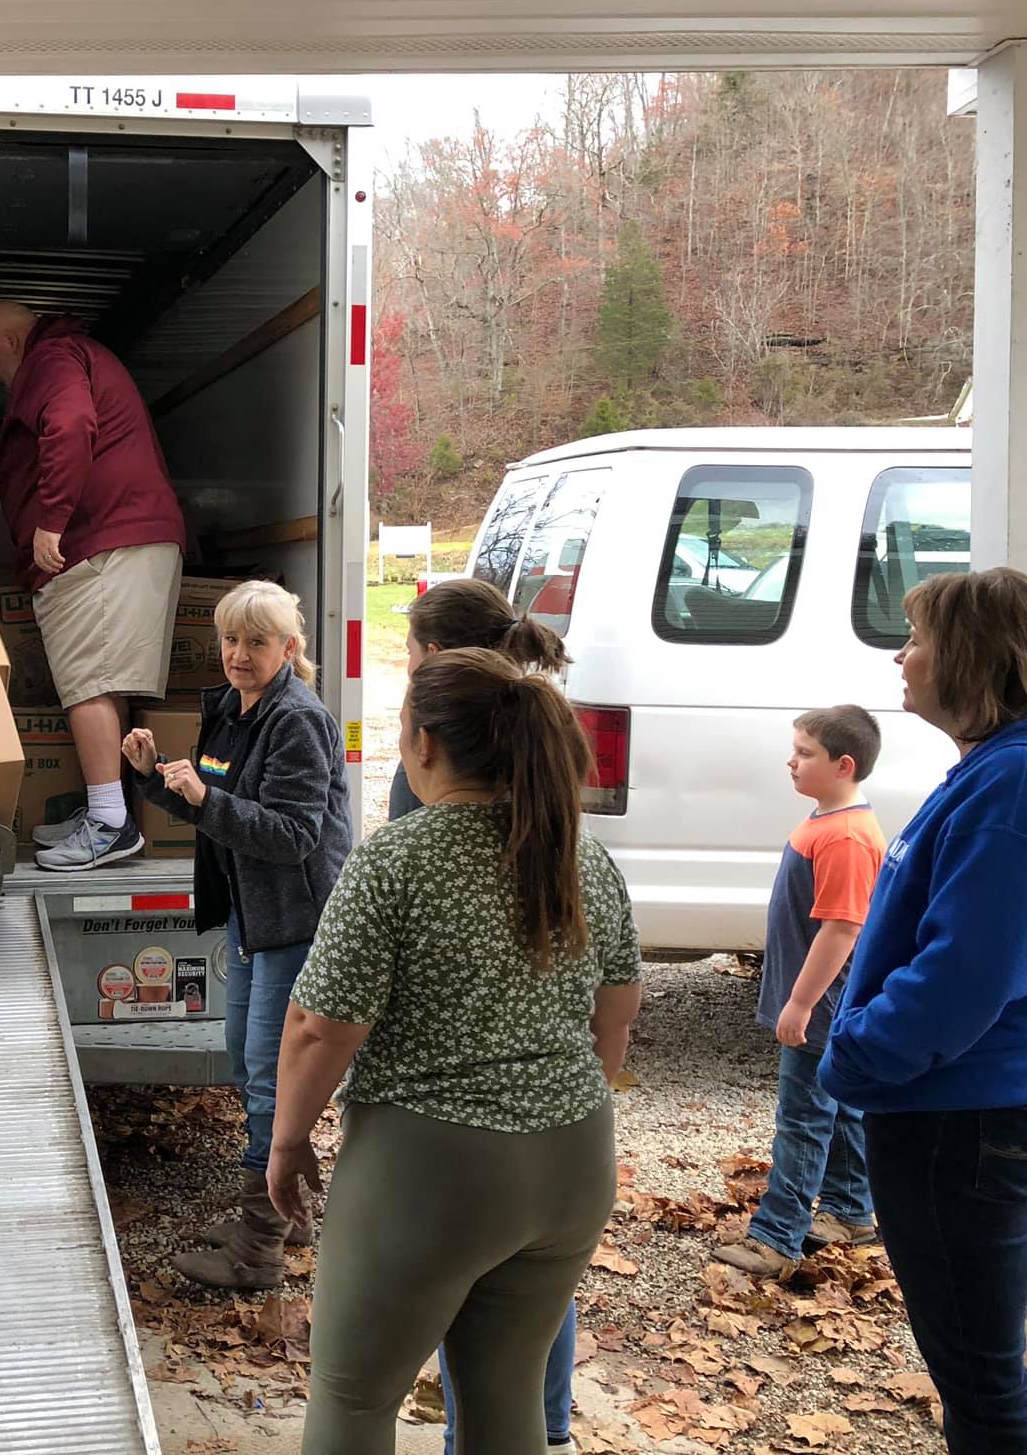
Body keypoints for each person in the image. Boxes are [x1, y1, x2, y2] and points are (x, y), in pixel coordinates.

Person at [271, 647, 642, 1455]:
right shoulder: (581, 856)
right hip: (574, 1163)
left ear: (424, 742)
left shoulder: (398, 860)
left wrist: (288, 1139)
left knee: (353, 1398)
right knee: (505, 1398)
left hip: (431, 1170)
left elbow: (320, 1028)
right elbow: (616, 1014)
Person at [822, 569, 1027, 1455]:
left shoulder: (1022, 782)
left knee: (981, 1380)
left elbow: (970, 971)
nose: (901, 657)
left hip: (966, 1113)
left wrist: (857, 1056)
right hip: (974, 1105)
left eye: (916, 639)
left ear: (970, 657)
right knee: (975, 1367)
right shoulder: (1010, 767)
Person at [390, 581, 583, 1455]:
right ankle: (542, 1431)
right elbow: (609, 990)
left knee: (459, 1283)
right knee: (534, 1289)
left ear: (436, 658)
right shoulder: (538, 740)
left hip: (448, 1108)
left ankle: (489, 1426)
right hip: (555, 1110)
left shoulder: (431, 767)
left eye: (410, 649)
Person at [124, 580, 353, 1289]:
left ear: (289, 648)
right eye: (229, 639)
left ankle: (260, 1250)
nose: (238, 654)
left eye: (256, 641)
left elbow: (292, 835)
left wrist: (201, 797)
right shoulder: (231, 711)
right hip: (254, 920)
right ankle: (291, 1207)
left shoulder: (297, 721)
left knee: (266, 1077)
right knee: (244, 1062)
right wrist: (156, 782)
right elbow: (214, 808)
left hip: (295, 921)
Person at [0, 300, 187, 872]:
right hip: (120, 536)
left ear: (14, 342)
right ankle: (108, 808)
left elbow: (69, 424)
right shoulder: (75, 354)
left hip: (99, 540)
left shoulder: (52, 358)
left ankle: (109, 824)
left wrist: (52, 518)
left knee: (87, 684)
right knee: (103, 680)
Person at [713, 706, 884, 1282]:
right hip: (825, 1001)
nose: (792, 760)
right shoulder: (827, 822)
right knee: (837, 1109)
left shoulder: (845, 837)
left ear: (844, 765)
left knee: (804, 1118)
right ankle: (850, 1210)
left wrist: (802, 1002)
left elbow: (842, 927)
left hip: (825, 1003)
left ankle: (777, 1236)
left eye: (805, 752)